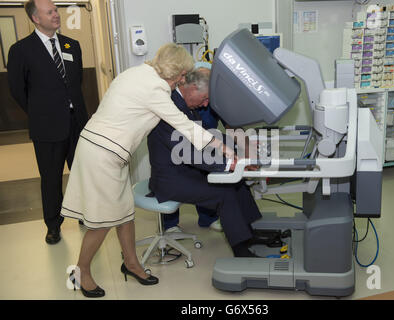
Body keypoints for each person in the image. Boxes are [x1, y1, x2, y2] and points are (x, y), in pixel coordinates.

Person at [60, 43, 231, 298]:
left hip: (105, 151)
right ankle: (80, 271)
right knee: (100, 222)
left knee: (124, 213)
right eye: (182, 75)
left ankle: (131, 264)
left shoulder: (135, 73)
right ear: (174, 71)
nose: (183, 80)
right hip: (101, 155)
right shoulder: (156, 89)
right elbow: (183, 125)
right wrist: (222, 147)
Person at [147, 68, 263, 259]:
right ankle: (241, 251)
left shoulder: (186, 105)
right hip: (170, 179)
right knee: (224, 191)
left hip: (185, 170)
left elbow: (207, 136)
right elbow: (189, 152)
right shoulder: (171, 108)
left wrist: (240, 147)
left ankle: (249, 234)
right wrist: (230, 164)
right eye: (205, 98)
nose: (206, 104)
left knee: (235, 181)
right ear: (192, 88)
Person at [7, 0, 89, 245]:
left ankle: (86, 213)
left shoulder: (71, 45)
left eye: (56, 10)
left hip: (77, 123)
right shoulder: (21, 50)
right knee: (51, 178)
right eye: (50, 11)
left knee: (83, 173)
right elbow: (17, 90)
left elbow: (76, 82)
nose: (57, 14)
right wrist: (41, 111)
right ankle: (53, 225)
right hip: (47, 126)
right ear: (36, 18)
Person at [162, 67, 222, 233]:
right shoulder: (171, 102)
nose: (206, 104)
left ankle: (207, 217)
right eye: (204, 98)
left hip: (201, 142)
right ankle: (170, 224)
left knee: (205, 173)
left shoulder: (203, 101)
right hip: (173, 157)